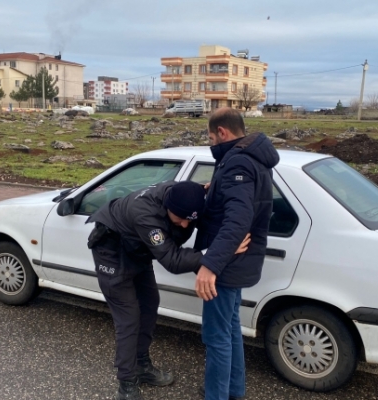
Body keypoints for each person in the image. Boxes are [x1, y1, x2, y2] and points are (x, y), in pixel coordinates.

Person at [87, 180, 249, 400]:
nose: (184, 225)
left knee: (149, 304)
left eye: (189, 220)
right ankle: (126, 381)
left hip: (138, 251)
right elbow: (172, 261)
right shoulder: (145, 215)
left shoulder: (181, 195)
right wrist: (219, 252)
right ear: (167, 208)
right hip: (112, 253)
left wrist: (214, 186)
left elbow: (194, 195)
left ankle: (141, 364)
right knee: (129, 318)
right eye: (179, 219)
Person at [194, 107, 280, 400]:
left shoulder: (236, 164)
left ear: (222, 132)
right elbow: (243, 201)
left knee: (216, 337)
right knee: (230, 331)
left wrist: (210, 265)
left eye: (210, 137)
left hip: (228, 266)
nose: (211, 143)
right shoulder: (251, 159)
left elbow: (238, 220)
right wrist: (215, 188)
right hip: (239, 261)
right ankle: (234, 391)